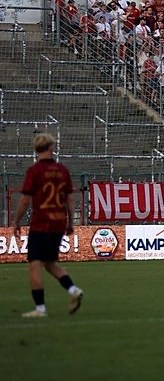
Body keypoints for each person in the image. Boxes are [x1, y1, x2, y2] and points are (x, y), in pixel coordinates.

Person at [12, 134, 84, 318]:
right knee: (50, 263)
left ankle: (40, 309)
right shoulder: (62, 170)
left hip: (41, 223)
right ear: (51, 148)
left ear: (36, 149)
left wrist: (16, 221)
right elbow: (70, 199)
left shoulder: (34, 171)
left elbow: (25, 201)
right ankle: (73, 290)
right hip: (58, 222)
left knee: (35, 264)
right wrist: (70, 222)